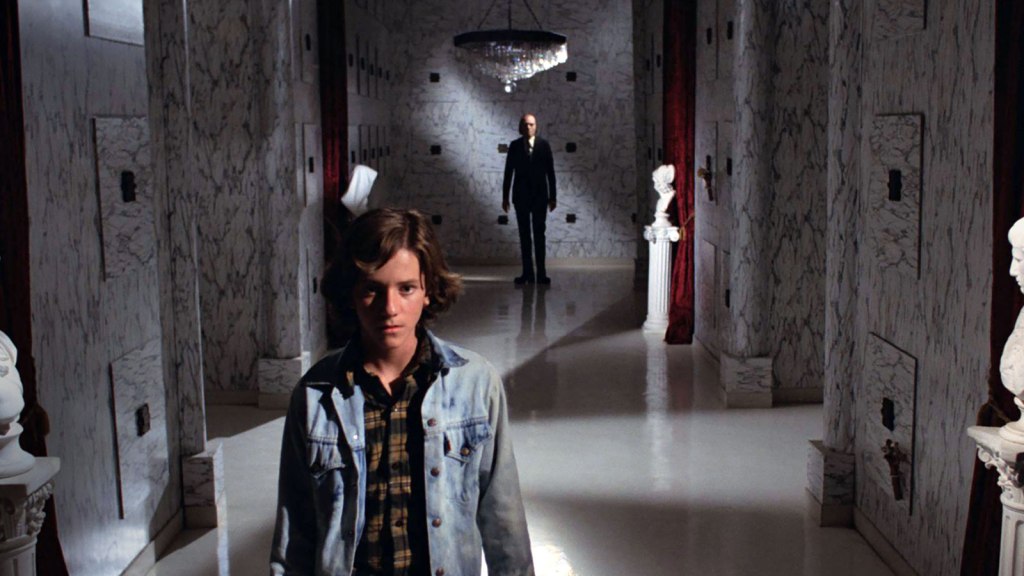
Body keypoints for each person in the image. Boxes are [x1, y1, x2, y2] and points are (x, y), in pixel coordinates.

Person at [271, 208, 534, 576]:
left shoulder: (476, 384)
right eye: (372, 289)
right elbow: (294, 537)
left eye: (406, 288)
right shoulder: (315, 396)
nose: (390, 308)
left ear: (428, 289)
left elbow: (503, 523)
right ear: (351, 293)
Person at [502, 113, 556, 285]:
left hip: (540, 197)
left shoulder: (544, 145)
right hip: (521, 197)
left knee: (539, 235)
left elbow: (550, 172)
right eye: (525, 124)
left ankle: (541, 274)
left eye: (531, 124)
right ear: (520, 127)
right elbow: (508, 172)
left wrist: (553, 197)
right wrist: (505, 197)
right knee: (524, 236)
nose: (528, 127)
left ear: (536, 126)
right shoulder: (515, 146)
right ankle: (527, 273)